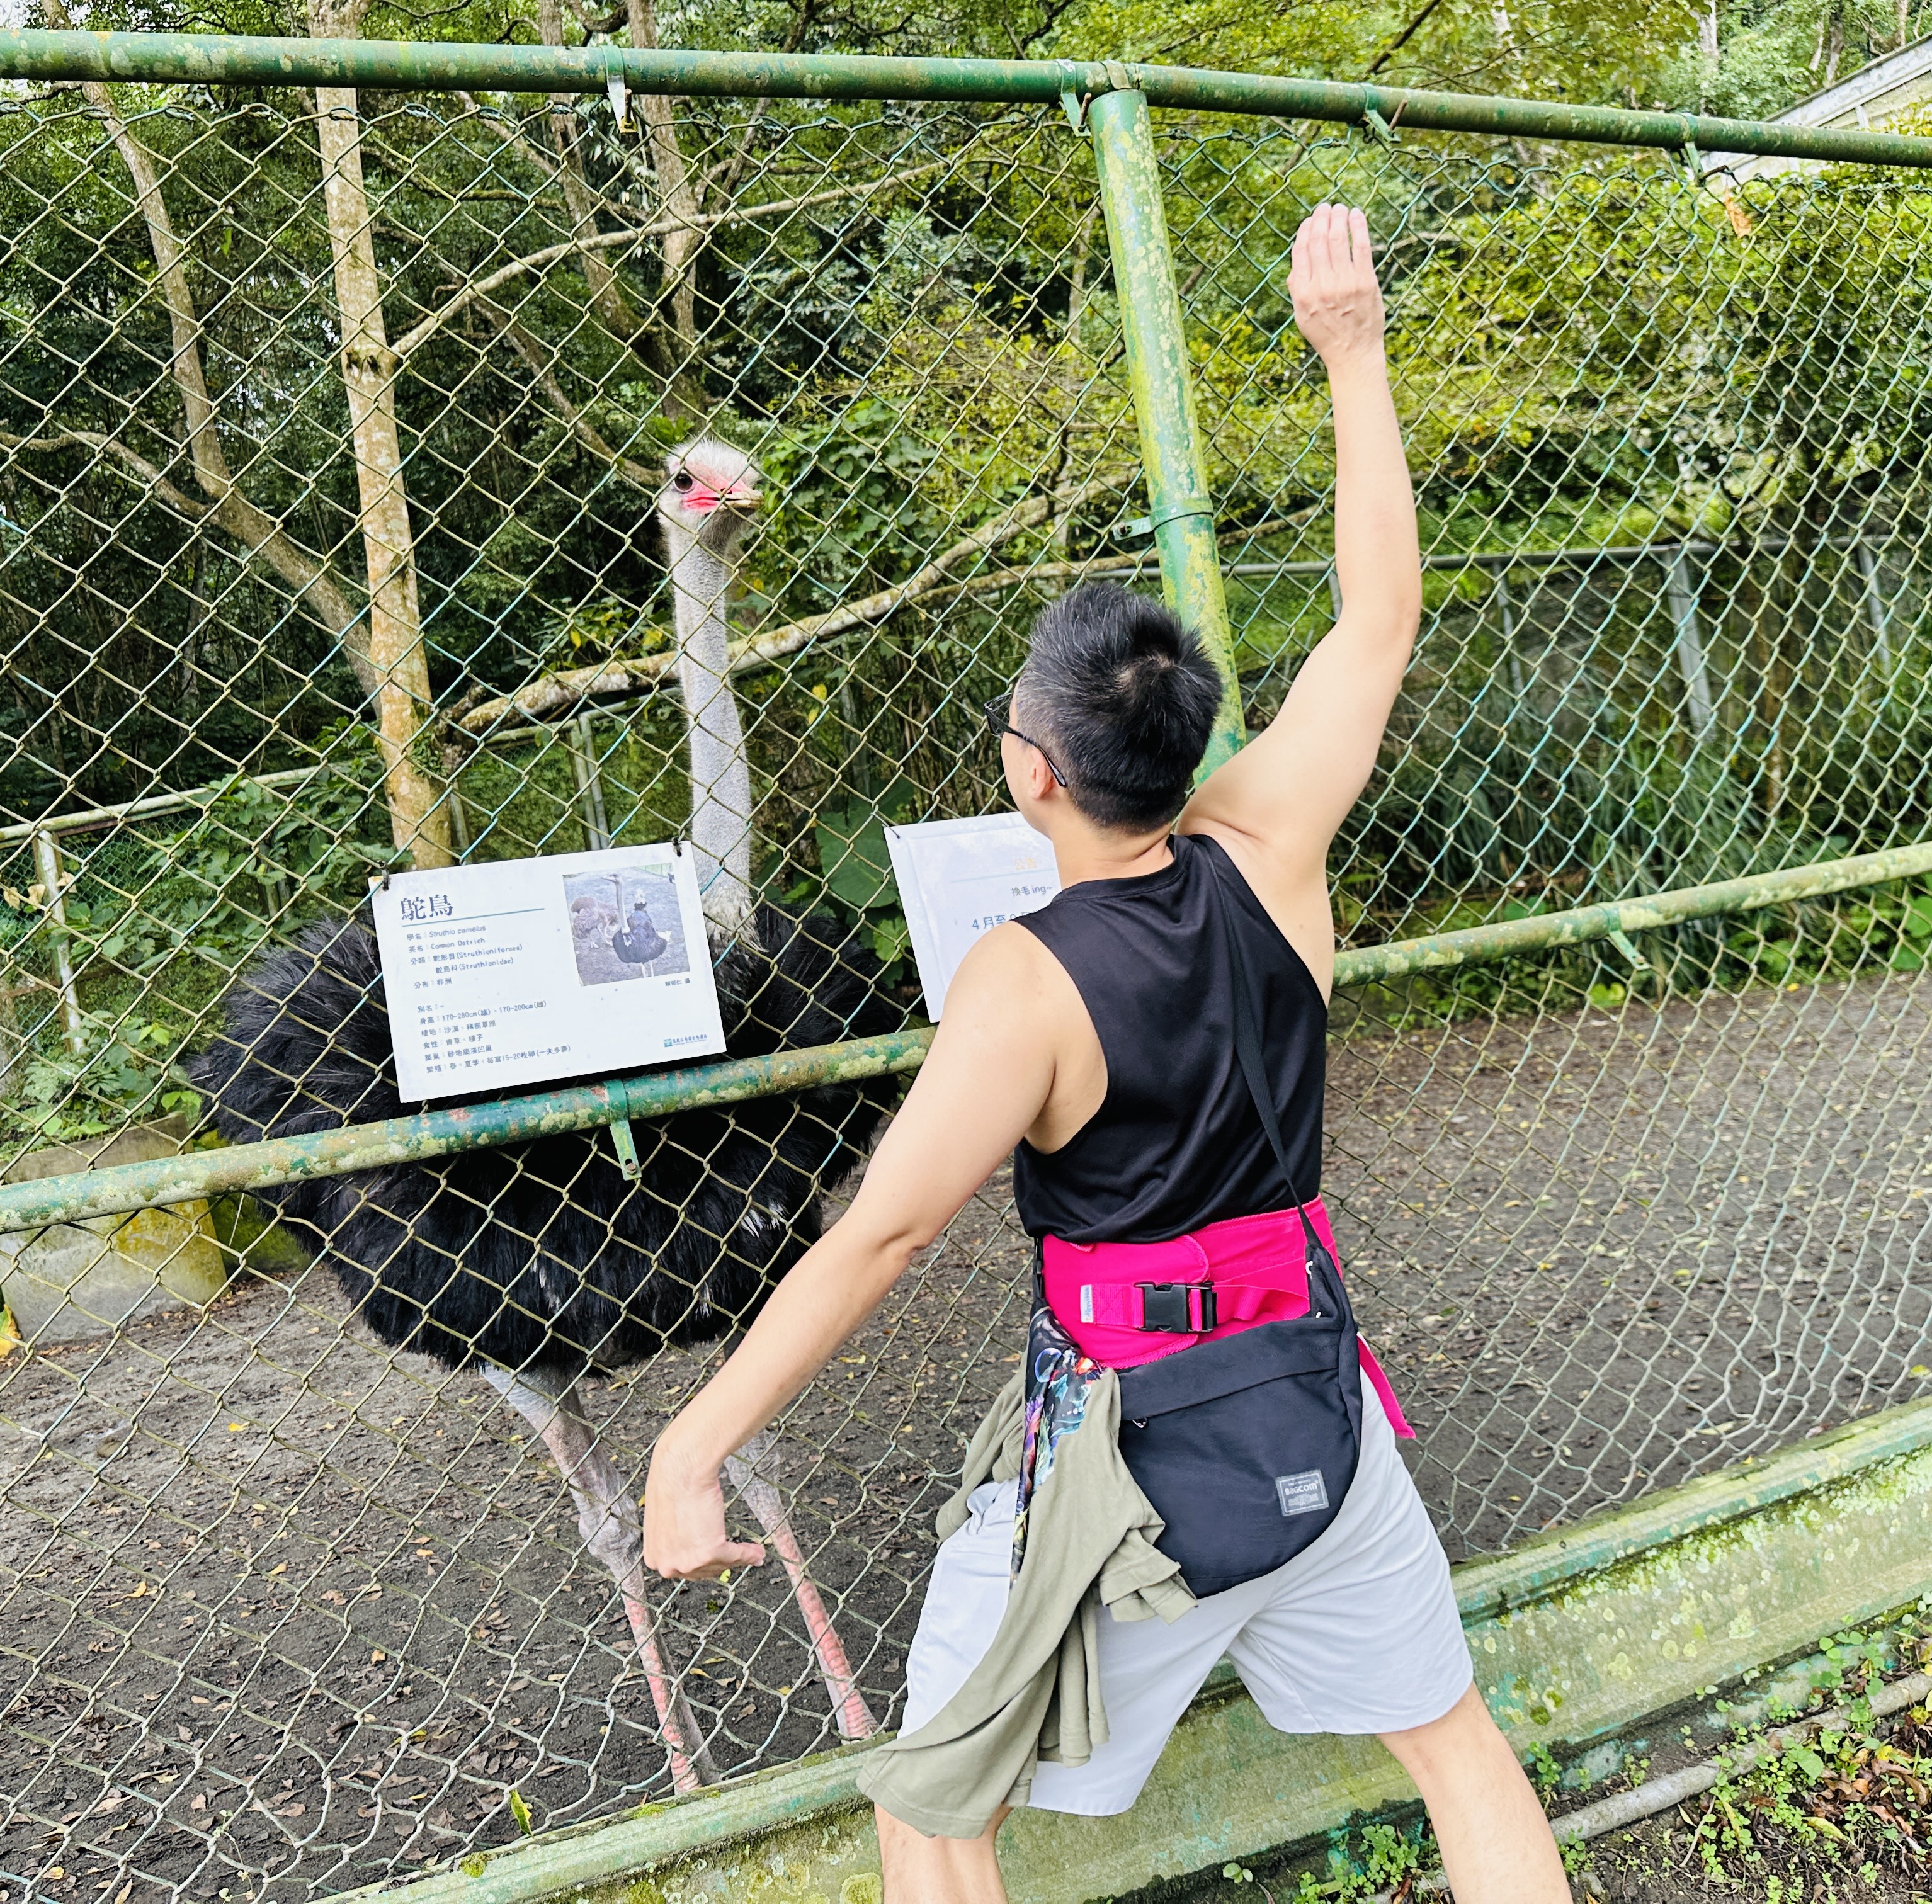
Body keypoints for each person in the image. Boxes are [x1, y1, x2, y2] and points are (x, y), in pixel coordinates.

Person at [642, 203, 1567, 1903]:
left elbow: (887, 1234)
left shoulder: (1023, 985)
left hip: (1131, 1462)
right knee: (1455, 1742)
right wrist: (1354, 354)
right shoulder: (1272, 844)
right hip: (1315, 1406)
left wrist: (692, 1439)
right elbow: (1381, 617)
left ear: (1035, 773)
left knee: (929, 1807)